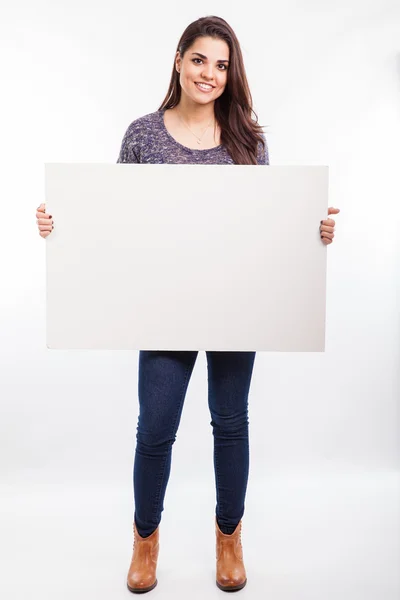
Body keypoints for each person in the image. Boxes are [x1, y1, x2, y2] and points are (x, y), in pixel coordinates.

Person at [36, 15, 340, 594]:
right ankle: (145, 541)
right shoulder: (143, 135)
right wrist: (61, 225)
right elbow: (113, 219)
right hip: (163, 305)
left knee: (230, 423)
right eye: (200, 59)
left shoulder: (248, 141)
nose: (210, 74)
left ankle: (230, 537)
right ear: (179, 60)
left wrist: (313, 233)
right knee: (155, 429)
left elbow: (267, 226)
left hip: (235, 305)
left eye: (222, 65)